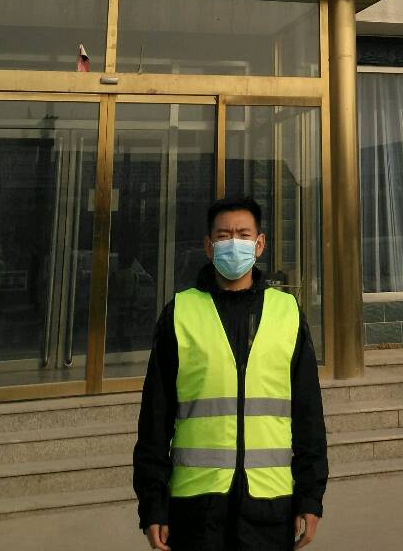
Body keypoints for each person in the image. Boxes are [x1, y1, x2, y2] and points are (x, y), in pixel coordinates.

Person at [133, 195, 328, 551]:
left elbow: (308, 415)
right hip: (196, 509)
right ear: (209, 246)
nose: (233, 243)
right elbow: (154, 420)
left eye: (243, 234)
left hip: (270, 507)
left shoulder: (287, 313)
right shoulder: (181, 312)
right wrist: (152, 503)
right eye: (223, 236)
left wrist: (311, 496)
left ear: (259, 244)